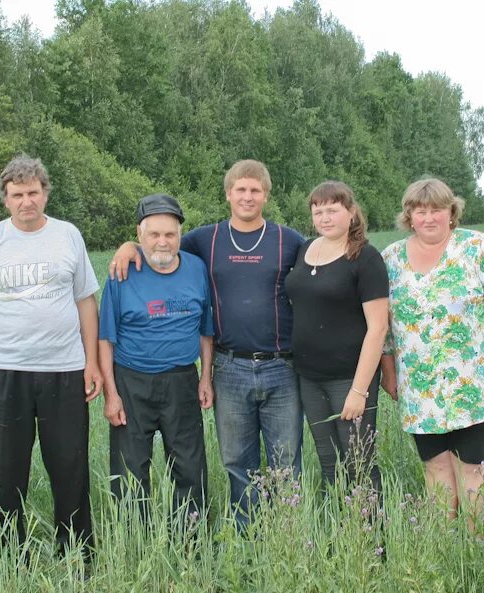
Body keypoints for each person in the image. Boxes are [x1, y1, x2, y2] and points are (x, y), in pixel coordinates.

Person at [110, 160, 304, 527]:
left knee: (286, 459)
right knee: (236, 461)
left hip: (281, 366)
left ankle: (287, 535)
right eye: (240, 190)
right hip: (229, 367)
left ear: (266, 194)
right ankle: (247, 533)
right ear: (228, 193)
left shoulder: (290, 241)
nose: (247, 197)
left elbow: (322, 268)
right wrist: (127, 246)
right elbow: (160, 241)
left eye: (255, 190)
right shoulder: (205, 239)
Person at [0, 154, 102, 552]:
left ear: (45, 194)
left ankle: (76, 551)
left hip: (65, 368)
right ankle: (6, 553)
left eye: (33, 193)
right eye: (17, 194)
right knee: (4, 472)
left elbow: (86, 301)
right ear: (5, 198)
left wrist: (91, 362)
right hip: (3, 371)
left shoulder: (68, 235)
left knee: (69, 466)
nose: (26, 201)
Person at [380, 177, 484, 525]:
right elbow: (381, 324)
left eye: (437, 210)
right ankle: (443, 547)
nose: (429, 218)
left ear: (451, 212)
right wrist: (389, 372)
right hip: (419, 387)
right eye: (420, 211)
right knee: (435, 469)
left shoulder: (478, 248)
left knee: (472, 469)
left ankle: (478, 547)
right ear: (409, 216)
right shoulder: (391, 259)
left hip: (471, 383)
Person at [98, 194, 214, 518]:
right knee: (130, 467)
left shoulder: (196, 269)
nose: (162, 242)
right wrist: (111, 394)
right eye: (154, 235)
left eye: (170, 234)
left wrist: (206, 377)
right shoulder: (121, 273)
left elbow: (206, 330)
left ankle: (191, 537)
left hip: (182, 379)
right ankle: (136, 538)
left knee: (189, 464)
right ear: (139, 235)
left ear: (180, 235)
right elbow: (106, 339)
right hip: (131, 380)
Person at [284, 181, 388, 494]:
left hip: (349, 379)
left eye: (332, 209)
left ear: (351, 212)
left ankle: (372, 539)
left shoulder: (366, 259)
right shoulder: (306, 249)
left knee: (359, 463)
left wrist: (359, 390)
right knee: (329, 462)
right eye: (318, 211)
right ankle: (343, 535)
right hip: (309, 377)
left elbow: (378, 328)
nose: (324, 217)